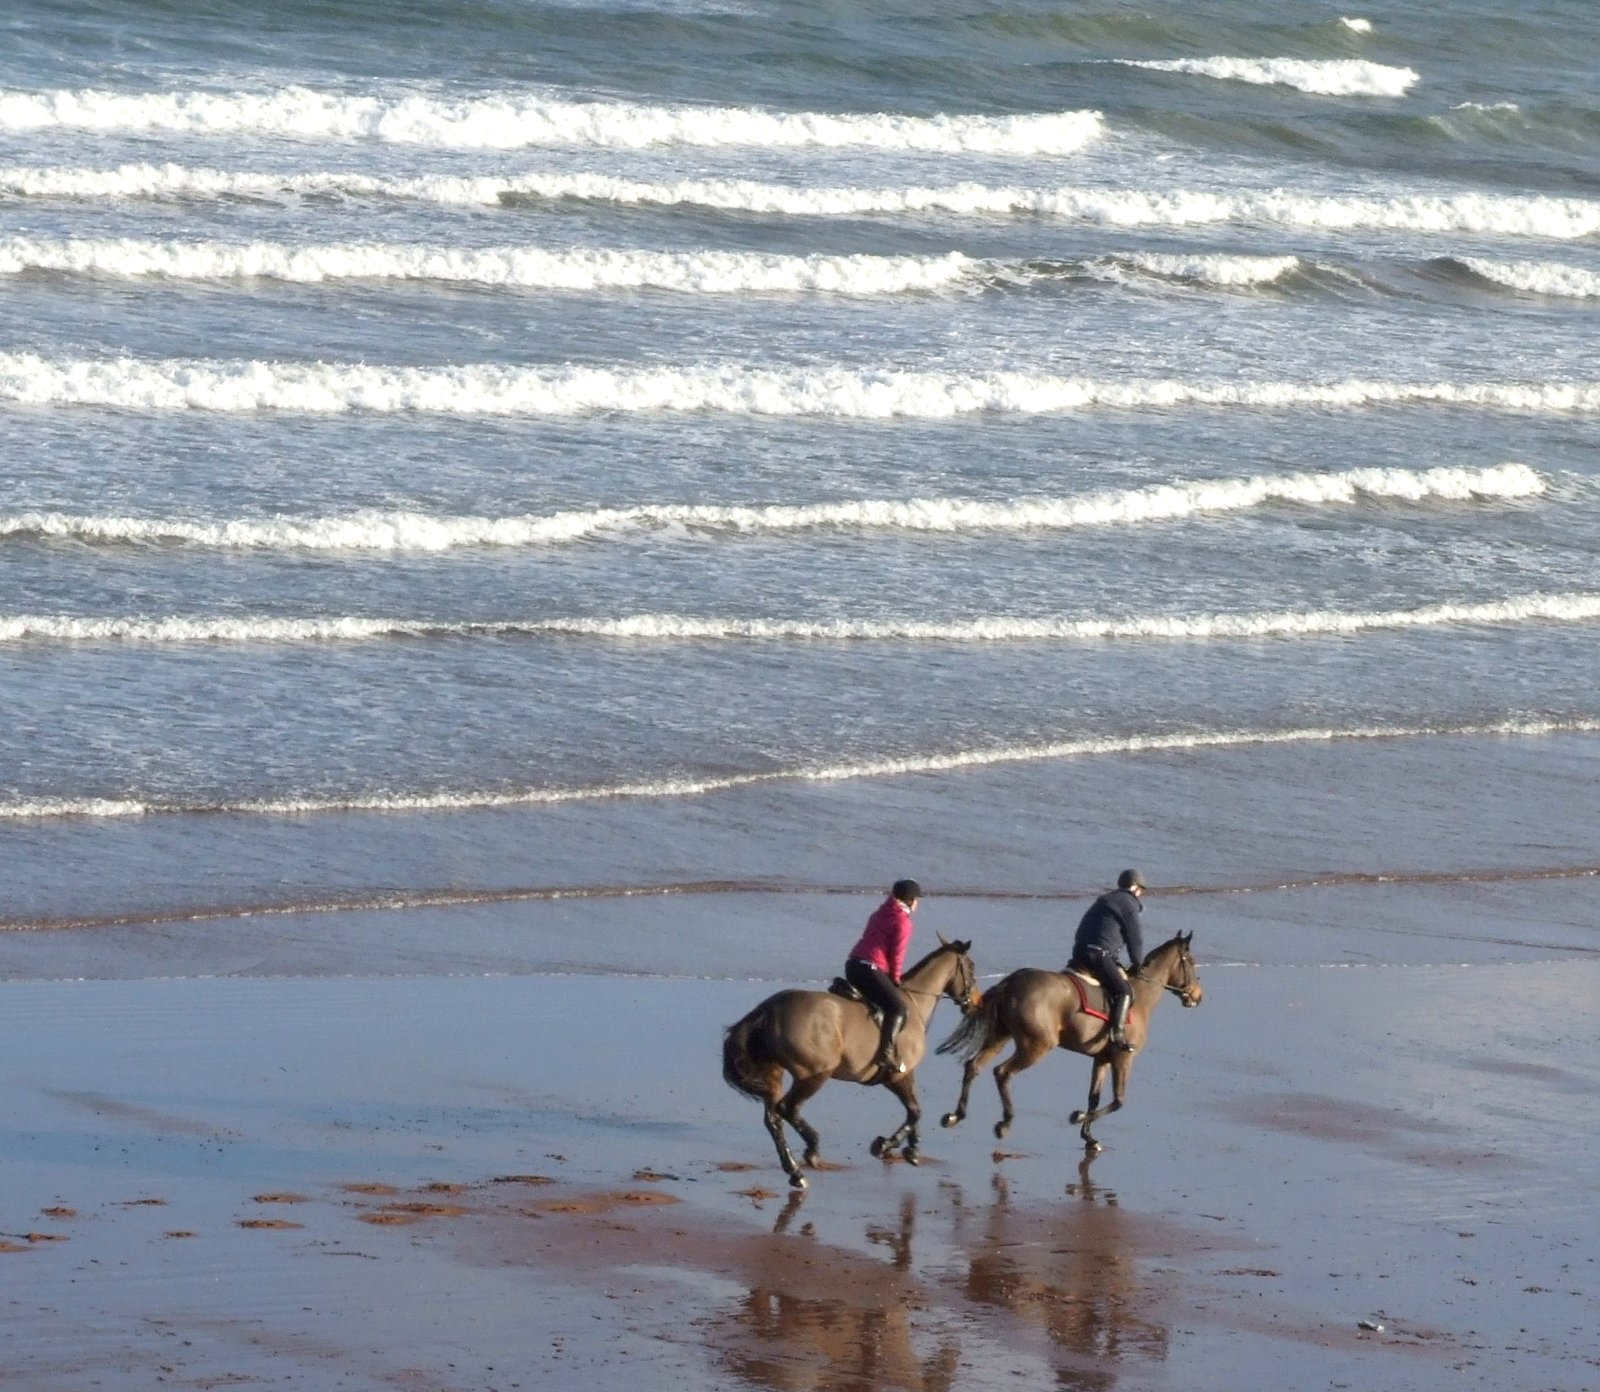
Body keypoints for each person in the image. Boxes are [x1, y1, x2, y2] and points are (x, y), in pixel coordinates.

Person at [845, 879, 921, 1076]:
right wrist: (895, 978)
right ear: (911, 900)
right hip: (870, 968)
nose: (918, 904)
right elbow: (897, 954)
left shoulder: (879, 913)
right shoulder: (903, 922)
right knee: (898, 1007)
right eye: (917, 900)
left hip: (852, 964)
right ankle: (886, 1054)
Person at [1069, 869, 1146, 1050]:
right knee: (1124, 991)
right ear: (1134, 887)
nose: (1141, 894)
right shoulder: (1129, 903)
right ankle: (1117, 1034)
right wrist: (1137, 963)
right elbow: (1135, 937)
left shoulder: (1106, 899)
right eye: (1141, 890)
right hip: (1098, 955)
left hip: (1080, 952)